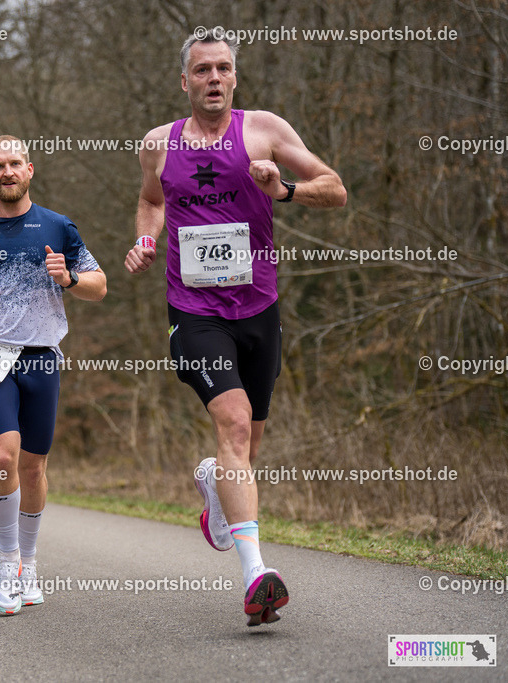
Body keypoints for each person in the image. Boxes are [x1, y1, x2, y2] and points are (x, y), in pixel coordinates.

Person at [125, 29, 347, 626]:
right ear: (185, 80)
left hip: (259, 307)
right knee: (233, 421)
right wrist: (146, 238)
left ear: (235, 77)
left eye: (223, 68)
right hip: (194, 311)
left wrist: (287, 190)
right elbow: (151, 201)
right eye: (202, 70)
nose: (214, 78)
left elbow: (336, 188)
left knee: (249, 443)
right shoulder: (158, 143)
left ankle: (213, 488)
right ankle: (256, 575)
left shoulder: (266, 129)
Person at [0, 135, 107, 615]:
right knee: (3, 455)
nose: (7, 172)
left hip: (41, 355)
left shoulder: (57, 226)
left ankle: (29, 562)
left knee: (33, 465)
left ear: (30, 170)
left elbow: (99, 284)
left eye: (14, 164)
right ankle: (7, 564)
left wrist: (68, 278)